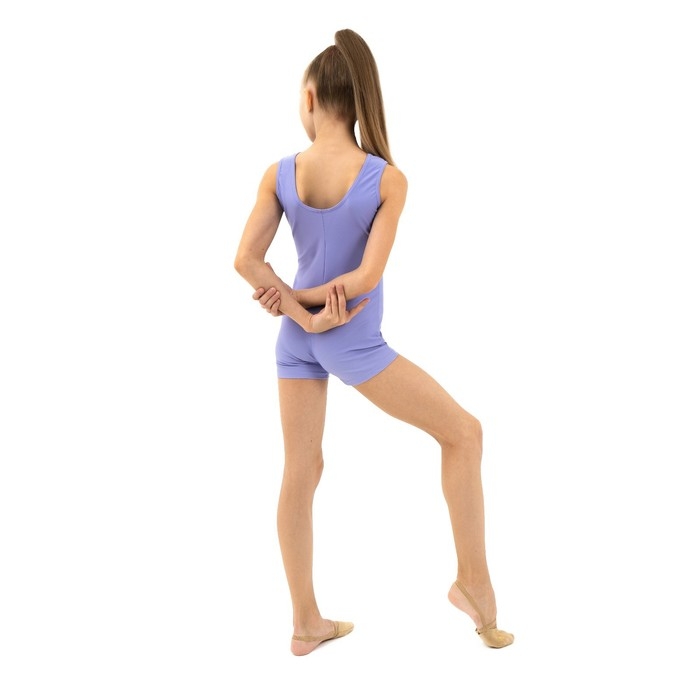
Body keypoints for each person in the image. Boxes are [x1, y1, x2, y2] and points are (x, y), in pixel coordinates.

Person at [234, 28, 514, 656]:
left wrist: (296, 311)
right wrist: (315, 317)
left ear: (310, 98)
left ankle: (305, 622)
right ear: (360, 100)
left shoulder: (281, 173)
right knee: (464, 434)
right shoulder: (386, 179)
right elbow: (363, 279)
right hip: (351, 342)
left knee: (302, 470)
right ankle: (473, 585)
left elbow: (246, 261)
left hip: (296, 340)